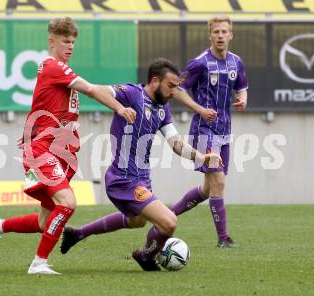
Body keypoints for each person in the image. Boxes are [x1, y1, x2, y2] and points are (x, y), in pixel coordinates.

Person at [0, 17, 136, 275]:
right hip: (44, 150)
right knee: (68, 202)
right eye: (66, 41)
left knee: (46, 221)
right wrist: (120, 107)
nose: (71, 46)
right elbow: (90, 89)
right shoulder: (53, 66)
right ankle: (38, 263)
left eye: (74, 42)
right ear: (51, 40)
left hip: (61, 151)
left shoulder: (62, 72)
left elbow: (74, 95)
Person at [60, 58, 221, 271]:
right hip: (123, 179)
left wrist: (201, 158)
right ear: (155, 81)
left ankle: (77, 233)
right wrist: (119, 108)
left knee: (137, 221)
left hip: (141, 180)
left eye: (176, 87)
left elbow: (176, 143)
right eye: (170, 86)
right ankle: (146, 256)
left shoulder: (162, 109)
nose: (174, 92)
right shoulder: (133, 94)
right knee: (169, 222)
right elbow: (96, 90)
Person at [171, 15, 248, 248]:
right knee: (219, 181)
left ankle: (165, 216)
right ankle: (223, 238)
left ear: (231, 34)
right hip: (204, 131)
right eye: (216, 32)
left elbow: (242, 87)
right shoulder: (200, 63)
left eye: (224, 32)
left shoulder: (236, 62)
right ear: (210, 35)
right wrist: (199, 109)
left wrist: (243, 99)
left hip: (225, 131)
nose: (220, 36)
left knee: (208, 188)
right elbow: (176, 89)